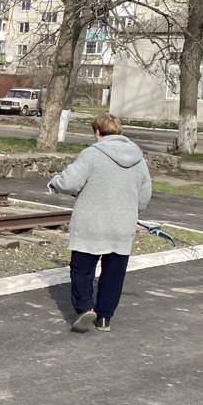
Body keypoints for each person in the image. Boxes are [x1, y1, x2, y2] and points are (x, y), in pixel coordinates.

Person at [47, 112, 152, 334]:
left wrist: (55, 183)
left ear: (97, 132)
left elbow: (70, 182)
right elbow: (145, 194)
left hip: (91, 224)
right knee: (114, 274)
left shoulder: (91, 154)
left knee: (81, 270)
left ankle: (85, 307)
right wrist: (131, 211)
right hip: (122, 226)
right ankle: (104, 318)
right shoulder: (138, 158)